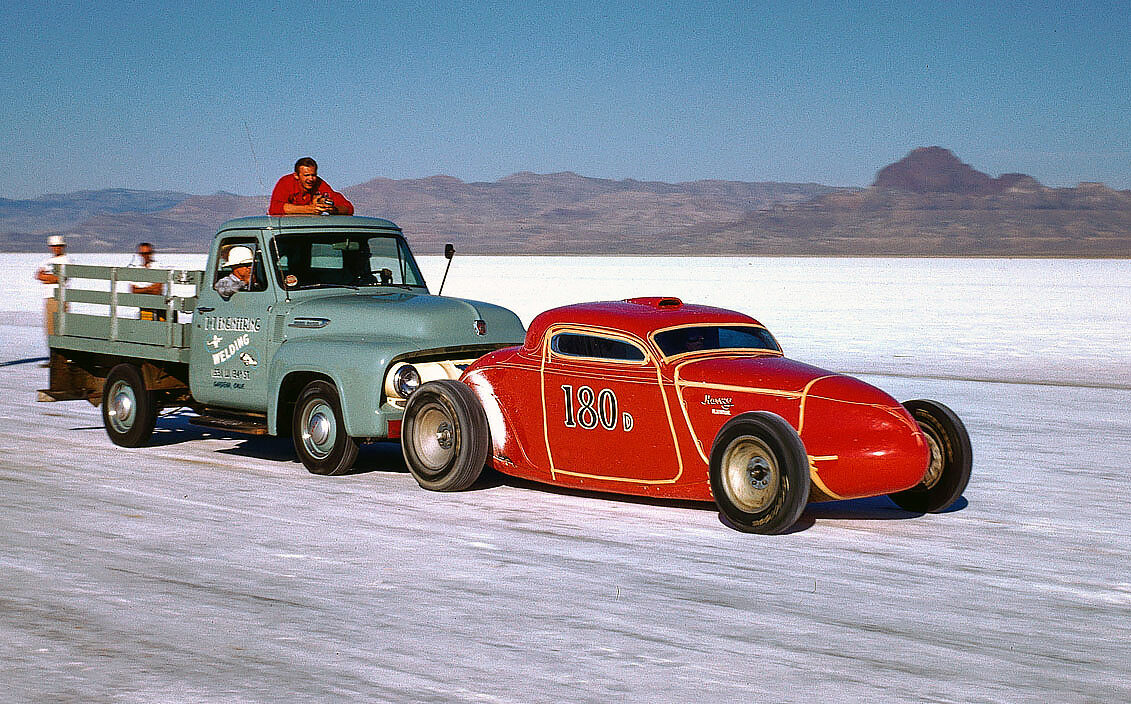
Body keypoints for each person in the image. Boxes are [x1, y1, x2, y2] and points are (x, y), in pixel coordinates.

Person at [268, 157, 354, 216]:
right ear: (296, 175)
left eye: (313, 175)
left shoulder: (320, 184)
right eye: (306, 175)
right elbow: (275, 208)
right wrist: (309, 209)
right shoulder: (286, 183)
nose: (311, 179)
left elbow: (348, 208)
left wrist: (332, 209)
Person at [34, 234, 70, 339]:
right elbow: (38, 275)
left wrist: (46, 279)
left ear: (63, 246)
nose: (56, 248)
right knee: (50, 328)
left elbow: (61, 278)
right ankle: (53, 353)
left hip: (60, 297)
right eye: (54, 246)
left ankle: (60, 353)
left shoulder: (66, 261)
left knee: (59, 328)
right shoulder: (46, 261)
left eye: (59, 245)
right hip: (49, 297)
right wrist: (50, 278)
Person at [130, 242, 166, 321]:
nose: (146, 256)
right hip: (143, 307)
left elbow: (157, 290)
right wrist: (150, 288)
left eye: (148, 253)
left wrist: (142, 289)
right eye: (143, 253)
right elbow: (133, 290)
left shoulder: (158, 267)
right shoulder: (137, 269)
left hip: (159, 307)